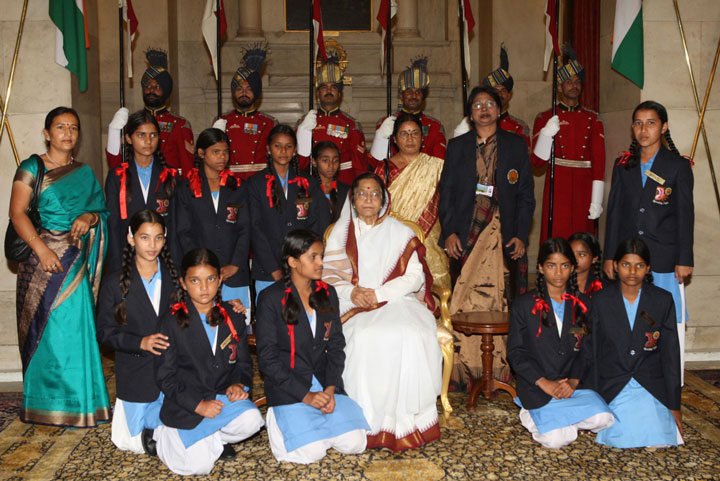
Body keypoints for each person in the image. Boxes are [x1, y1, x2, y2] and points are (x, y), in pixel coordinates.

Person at [323, 172, 442, 451]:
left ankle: (407, 423)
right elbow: (328, 277)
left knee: (409, 334)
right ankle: (365, 421)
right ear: (353, 200)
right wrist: (353, 293)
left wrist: (378, 294)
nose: (368, 199)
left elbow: (414, 277)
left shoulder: (400, 232)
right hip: (352, 304)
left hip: (397, 300)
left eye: (374, 193)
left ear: (383, 200)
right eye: (362, 194)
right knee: (364, 336)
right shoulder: (340, 233)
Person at [10, 106, 110, 427]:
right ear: (47, 133)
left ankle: (79, 405)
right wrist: (41, 251)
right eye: (60, 127)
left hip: (75, 263)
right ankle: (45, 404)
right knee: (47, 334)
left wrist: (89, 217)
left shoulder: (85, 172)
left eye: (73, 127)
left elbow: (100, 212)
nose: (68, 133)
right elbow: (17, 213)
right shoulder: (32, 167)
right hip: (41, 263)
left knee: (75, 332)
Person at [439, 86, 535, 387]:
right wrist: (449, 233)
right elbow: (447, 194)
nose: (484, 109)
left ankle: (501, 369)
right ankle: (466, 369)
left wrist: (521, 236)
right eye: (478, 104)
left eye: (489, 103)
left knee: (502, 300)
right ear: (470, 113)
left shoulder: (515, 145)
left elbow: (526, 196)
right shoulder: (457, 146)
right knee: (464, 299)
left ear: (500, 109)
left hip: (503, 236)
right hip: (465, 236)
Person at [256, 229, 369, 463]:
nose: (320, 263)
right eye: (313, 257)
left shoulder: (327, 293)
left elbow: (336, 346)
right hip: (290, 388)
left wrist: (330, 388)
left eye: (321, 256)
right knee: (311, 453)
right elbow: (267, 359)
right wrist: (305, 395)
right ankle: (284, 423)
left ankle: (316, 429)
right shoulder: (270, 298)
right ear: (293, 262)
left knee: (356, 443)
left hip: (322, 382)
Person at [154, 248, 264, 476]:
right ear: (183, 283)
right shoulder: (171, 322)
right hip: (187, 405)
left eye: (211, 279)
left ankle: (211, 437)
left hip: (220, 399)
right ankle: (165, 434)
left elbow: (243, 364)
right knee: (197, 467)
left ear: (220, 279)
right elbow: (165, 376)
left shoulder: (233, 315)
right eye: (195, 280)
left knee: (253, 420)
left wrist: (238, 384)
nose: (204, 287)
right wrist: (198, 405)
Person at [603, 101, 693, 374]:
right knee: (630, 317)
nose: (644, 130)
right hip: (629, 259)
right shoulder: (623, 165)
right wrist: (609, 256)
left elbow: (685, 216)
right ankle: (632, 373)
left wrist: (684, 259)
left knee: (667, 318)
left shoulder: (678, 166)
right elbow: (614, 214)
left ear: (663, 127)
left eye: (651, 123)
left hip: (665, 259)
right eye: (638, 123)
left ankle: (671, 377)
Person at [507, 237, 614, 449]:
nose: (558, 273)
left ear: (572, 268)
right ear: (541, 268)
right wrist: (544, 382)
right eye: (551, 266)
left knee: (604, 418)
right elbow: (516, 352)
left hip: (570, 388)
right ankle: (534, 414)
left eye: (564, 266)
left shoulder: (583, 304)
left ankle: (559, 418)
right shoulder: (524, 305)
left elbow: (587, 351)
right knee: (556, 441)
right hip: (538, 388)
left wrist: (572, 382)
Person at [97, 210, 179, 454]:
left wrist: (229, 307)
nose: (152, 245)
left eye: (158, 238)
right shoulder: (114, 283)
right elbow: (104, 332)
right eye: (145, 237)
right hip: (136, 373)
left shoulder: (176, 279)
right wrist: (139, 342)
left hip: (174, 371)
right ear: (131, 238)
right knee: (133, 441)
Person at [592, 238, 683, 448]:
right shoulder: (600, 300)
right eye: (626, 264)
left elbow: (670, 354)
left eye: (639, 265)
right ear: (615, 266)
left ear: (648, 268)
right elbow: (593, 353)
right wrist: (594, 400)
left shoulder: (662, 300)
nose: (632, 271)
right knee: (619, 435)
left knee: (660, 437)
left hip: (650, 384)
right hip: (613, 384)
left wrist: (674, 405)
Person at [172, 128, 251, 321]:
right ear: (201, 153)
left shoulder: (238, 186)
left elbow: (245, 228)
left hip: (234, 274)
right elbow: (183, 231)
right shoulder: (187, 187)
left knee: (237, 324)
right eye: (216, 152)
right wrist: (203, 265)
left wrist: (235, 264)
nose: (222, 157)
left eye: (225, 152)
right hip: (201, 274)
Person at [531, 45, 605, 242]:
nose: (574, 86)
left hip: (583, 187)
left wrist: (596, 199)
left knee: (582, 241)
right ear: (559, 87)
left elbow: (599, 162)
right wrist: (546, 135)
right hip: (558, 186)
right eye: (569, 82)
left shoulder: (592, 118)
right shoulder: (545, 117)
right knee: (557, 237)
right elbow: (537, 162)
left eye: (577, 82)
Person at [247, 125, 331, 299]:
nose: (283, 151)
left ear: (295, 150)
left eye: (288, 146)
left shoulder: (308, 182)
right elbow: (255, 229)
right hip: (267, 270)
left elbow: (319, 222)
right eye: (277, 146)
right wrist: (274, 269)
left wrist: (305, 260)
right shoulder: (255, 183)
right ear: (268, 149)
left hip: (303, 268)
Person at [373, 112, 449, 290]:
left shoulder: (437, 167)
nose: (409, 138)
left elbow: (449, 203)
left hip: (431, 242)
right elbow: (374, 209)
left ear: (422, 138)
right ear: (395, 139)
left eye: (415, 133)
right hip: (394, 243)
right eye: (404, 134)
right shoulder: (384, 169)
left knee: (438, 291)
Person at [105, 110, 179, 273]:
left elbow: (174, 225)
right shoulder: (117, 175)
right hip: (127, 258)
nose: (148, 141)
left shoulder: (170, 175)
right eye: (141, 135)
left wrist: (175, 266)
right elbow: (113, 224)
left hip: (162, 257)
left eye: (153, 135)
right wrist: (117, 266)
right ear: (128, 138)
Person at [106, 49, 194, 174]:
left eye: (157, 87)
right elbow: (114, 165)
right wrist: (113, 132)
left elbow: (188, 167)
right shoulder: (130, 122)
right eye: (147, 86)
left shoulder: (179, 124)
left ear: (166, 92)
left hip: (169, 183)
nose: (151, 90)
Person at [296, 57, 367, 183]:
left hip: (344, 184)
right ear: (317, 93)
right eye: (324, 87)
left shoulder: (351, 125)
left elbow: (360, 167)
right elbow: (298, 165)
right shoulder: (304, 123)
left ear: (340, 93)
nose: (328, 91)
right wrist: (304, 132)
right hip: (313, 183)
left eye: (333, 87)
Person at [212, 44, 278, 180]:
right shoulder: (222, 121)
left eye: (249, 89)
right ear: (233, 93)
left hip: (261, 182)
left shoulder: (270, 123)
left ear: (257, 93)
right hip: (230, 182)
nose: (243, 93)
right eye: (239, 89)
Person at [369, 57, 447, 166]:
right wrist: (381, 137)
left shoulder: (435, 126)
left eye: (418, 92)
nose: (413, 96)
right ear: (401, 95)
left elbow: (440, 163)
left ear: (423, 96)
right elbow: (375, 164)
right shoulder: (386, 123)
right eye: (409, 91)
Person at [453, 45, 530, 149]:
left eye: (503, 91)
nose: (500, 94)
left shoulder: (519, 126)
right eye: (496, 91)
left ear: (509, 95)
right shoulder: (473, 123)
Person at [312, 141, 349, 223]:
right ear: (314, 162)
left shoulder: (346, 191)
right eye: (325, 160)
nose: (331, 165)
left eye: (335, 160)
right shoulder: (308, 190)